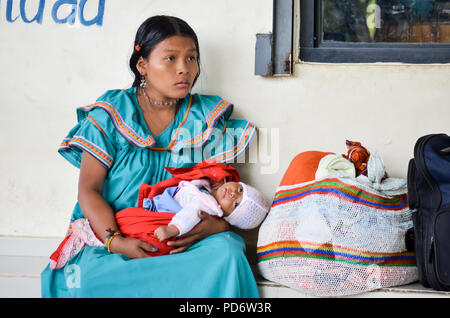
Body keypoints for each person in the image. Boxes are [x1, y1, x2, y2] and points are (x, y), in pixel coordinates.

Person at [41, 15, 259, 298]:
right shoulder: (110, 113)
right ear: (142, 65)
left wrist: (214, 225)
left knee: (227, 252)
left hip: (182, 239)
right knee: (86, 279)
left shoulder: (206, 117)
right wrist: (116, 241)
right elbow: (89, 190)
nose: (184, 69)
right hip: (118, 236)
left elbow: (223, 194)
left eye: (191, 58)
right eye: (171, 59)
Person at [149, 178, 269, 241]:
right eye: (240, 190)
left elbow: (190, 214)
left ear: (227, 215)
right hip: (163, 199)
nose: (233, 194)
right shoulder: (212, 193)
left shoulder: (208, 205)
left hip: (160, 209)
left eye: (236, 204)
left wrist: (173, 229)